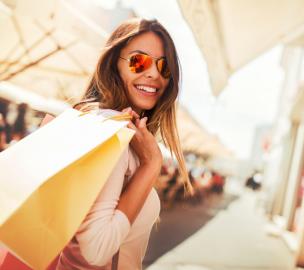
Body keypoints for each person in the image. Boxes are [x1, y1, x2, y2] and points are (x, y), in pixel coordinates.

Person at [40, 18, 193, 270]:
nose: (154, 73)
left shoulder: (98, 125)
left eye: (164, 67)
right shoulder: (110, 130)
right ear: (115, 65)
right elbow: (96, 250)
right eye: (138, 61)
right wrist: (151, 165)